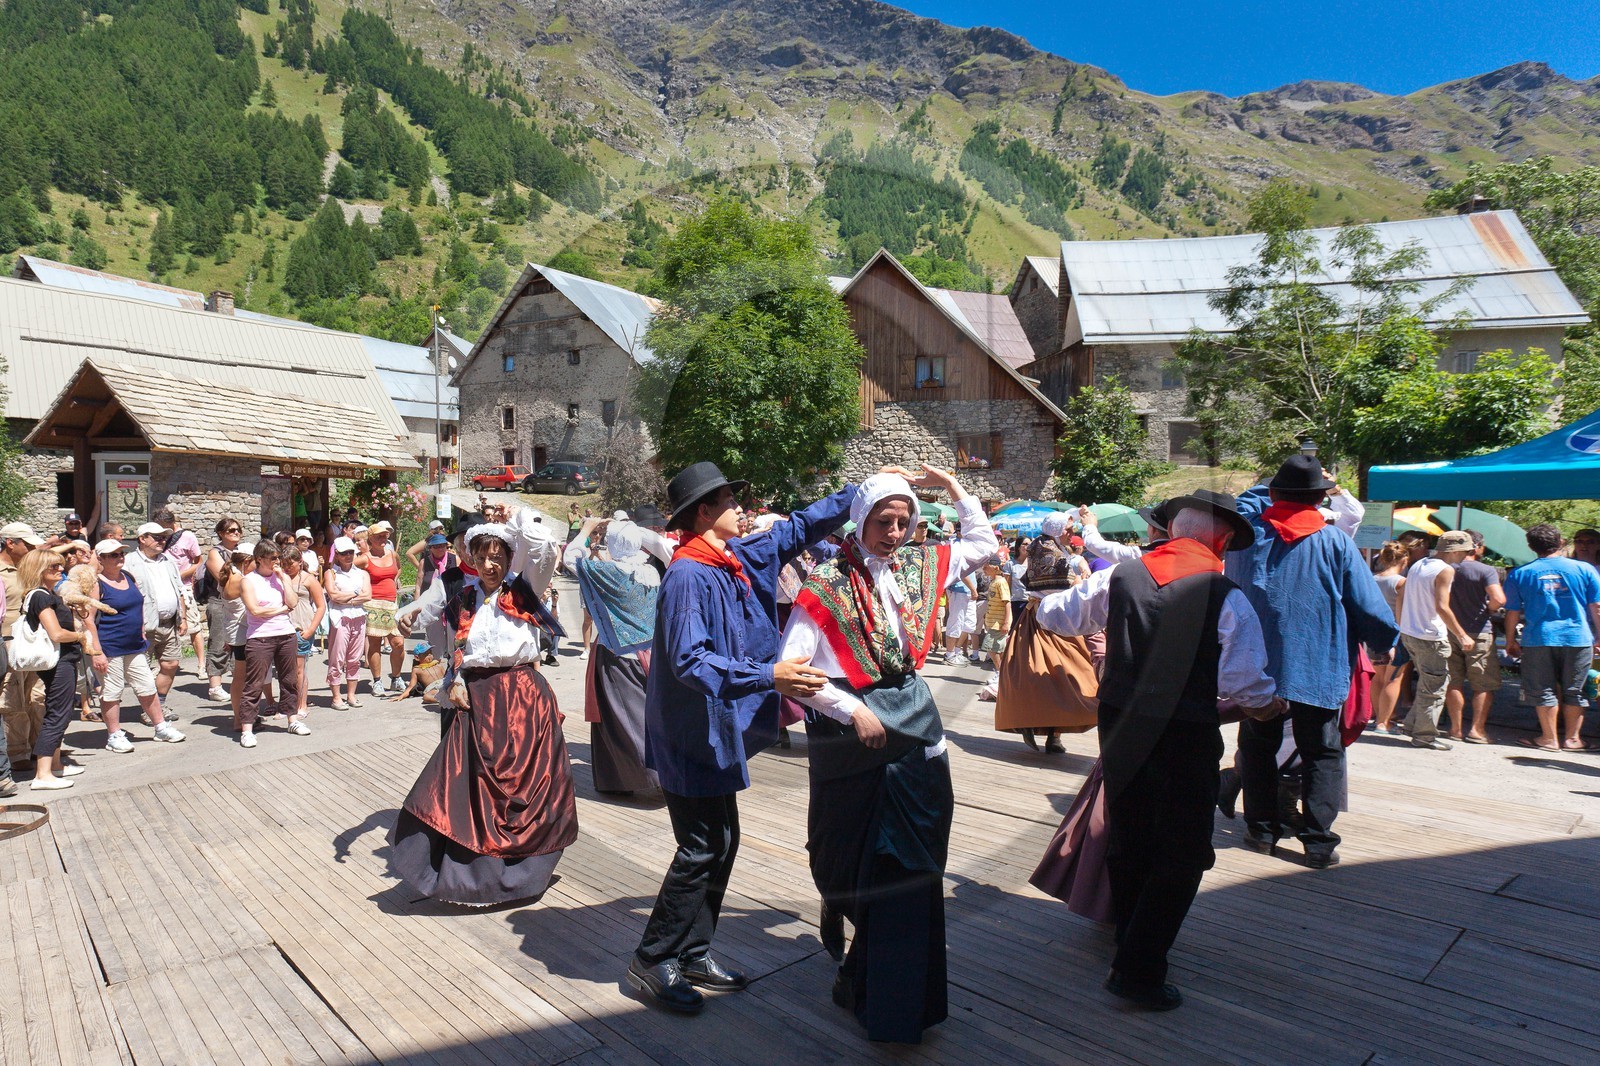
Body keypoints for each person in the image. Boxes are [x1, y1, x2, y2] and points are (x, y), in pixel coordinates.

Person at [1033, 492, 1282, 1010]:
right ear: (1225, 540)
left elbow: (1057, 617)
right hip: (1184, 736)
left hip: (1121, 728)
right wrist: (1269, 706)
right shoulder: (1225, 595)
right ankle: (1139, 970)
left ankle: (1129, 937)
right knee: (1184, 851)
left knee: (1131, 836)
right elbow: (1244, 682)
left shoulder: (1118, 577)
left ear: (1171, 531)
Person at [627, 462, 855, 1015]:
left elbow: (794, 529)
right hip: (689, 734)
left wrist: (862, 492)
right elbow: (688, 660)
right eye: (729, 498)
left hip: (713, 731)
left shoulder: (732, 558)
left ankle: (694, 951)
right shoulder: (688, 574)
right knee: (702, 845)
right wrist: (768, 676)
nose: (740, 506)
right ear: (703, 512)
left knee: (720, 842)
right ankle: (653, 957)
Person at [780, 467, 994, 1043]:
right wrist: (854, 710)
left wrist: (953, 487)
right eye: (883, 521)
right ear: (860, 520)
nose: (895, 533)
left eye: (904, 522)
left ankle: (885, 995)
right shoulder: (824, 584)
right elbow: (793, 674)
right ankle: (866, 974)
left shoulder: (917, 569)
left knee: (912, 866)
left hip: (915, 729)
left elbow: (984, 543)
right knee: (853, 857)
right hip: (852, 737)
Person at [388, 506, 575, 905]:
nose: (490, 564)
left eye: (498, 556)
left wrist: (516, 520)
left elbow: (543, 549)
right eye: (482, 556)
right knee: (465, 789)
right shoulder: (464, 599)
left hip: (522, 699)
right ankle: (472, 877)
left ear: (509, 558)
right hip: (478, 701)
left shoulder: (522, 590)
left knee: (523, 793)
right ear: (470, 558)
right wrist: (407, 617)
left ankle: (525, 873)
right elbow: (446, 634)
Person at [1227, 456, 1398, 868]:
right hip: (1316, 664)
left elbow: (1244, 504)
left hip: (1258, 666)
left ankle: (1262, 831)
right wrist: (1382, 642)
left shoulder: (1247, 539)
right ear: (1321, 498)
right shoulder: (1334, 541)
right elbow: (1368, 605)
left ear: (1272, 493)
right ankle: (1318, 841)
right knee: (1322, 752)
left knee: (1258, 747)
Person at [566, 514, 674, 794]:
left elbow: (570, 559)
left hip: (617, 655)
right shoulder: (651, 572)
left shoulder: (611, 572)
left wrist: (586, 530)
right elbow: (665, 548)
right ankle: (619, 779)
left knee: (625, 722)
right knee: (639, 717)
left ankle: (655, 778)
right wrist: (638, 531)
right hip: (650, 653)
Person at [995, 512, 1099, 754]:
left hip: (1054, 617)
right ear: (1058, 529)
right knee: (1043, 674)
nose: (1072, 534)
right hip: (1047, 618)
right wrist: (1083, 584)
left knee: (1063, 674)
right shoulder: (1048, 551)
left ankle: (1053, 733)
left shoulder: (1046, 547)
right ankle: (1036, 724)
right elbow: (1058, 586)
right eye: (1068, 529)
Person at [1504, 524, 1600, 752]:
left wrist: (1510, 640)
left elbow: (1513, 612)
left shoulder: (1519, 573)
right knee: (1575, 689)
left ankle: (1548, 738)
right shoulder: (1585, 570)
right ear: (1560, 541)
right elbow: (1596, 606)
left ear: (1531, 546)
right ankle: (1573, 739)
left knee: (1542, 689)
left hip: (1539, 638)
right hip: (1578, 637)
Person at [86, 540, 186, 754]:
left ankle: (160, 727)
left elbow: (139, 605)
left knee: (147, 686)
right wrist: (96, 651)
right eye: (113, 555)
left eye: (121, 553)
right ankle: (114, 735)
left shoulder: (128, 578)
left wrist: (141, 629)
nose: (119, 557)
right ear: (101, 558)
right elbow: (88, 619)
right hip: (110, 647)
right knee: (112, 691)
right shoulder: (97, 584)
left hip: (134, 645)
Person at [16, 549, 92, 789]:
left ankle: (55, 766)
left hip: (62, 661)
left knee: (58, 711)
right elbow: (57, 633)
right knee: (57, 715)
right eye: (53, 567)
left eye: (60, 566)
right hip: (59, 662)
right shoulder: (41, 596)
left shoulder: (45, 594)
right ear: (39, 571)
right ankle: (43, 774)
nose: (61, 569)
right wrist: (81, 636)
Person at [1395, 530, 1476, 752]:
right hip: (1430, 636)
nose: (1466, 556)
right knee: (1435, 687)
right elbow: (1442, 606)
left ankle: (1413, 725)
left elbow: (1403, 596)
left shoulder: (1420, 564)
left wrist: (1402, 626)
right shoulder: (1445, 570)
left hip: (1411, 633)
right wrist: (1462, 634)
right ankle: (1424, 736)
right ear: (1457, 550)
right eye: (1466, 551)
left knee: (1427, 682)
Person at [238, 541, 307, 747]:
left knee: (289, 679)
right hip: (260, 637)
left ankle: (292, 719)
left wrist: (283, 579)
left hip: (285, 634)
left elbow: (293, 603)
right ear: (259, 559)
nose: (278, 562)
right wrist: (280, 609)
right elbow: (255, 610)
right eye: (273, 558)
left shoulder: (281, 577)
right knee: (254, 683)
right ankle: (247, 729)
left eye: (278, 557)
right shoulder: (248, 581)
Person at [1443, 530, 1504, 744]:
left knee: (1453, 681)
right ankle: (1477, 730)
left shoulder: (1445, 568)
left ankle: (1455, 729)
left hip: (1449, 630)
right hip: (1479, 631)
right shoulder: (1485, 570)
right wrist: (1489, 608)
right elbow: (1499, 598)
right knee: (1483, 684)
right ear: (1478, 547)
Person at [123, 521, 188, 721]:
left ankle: (159, 704)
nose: (162, 541)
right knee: (142, 671)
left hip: (169, 623)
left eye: (164, 537)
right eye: (157, 537)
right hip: (143, 626)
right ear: (142, 539)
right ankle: (150, 710)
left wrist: (183, 617)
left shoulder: (167, 561)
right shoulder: (129, 562)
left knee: (171, 663)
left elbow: (179, 591)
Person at [1, 522, 48, 773]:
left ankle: (39, 748)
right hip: (9, 645)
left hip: (34, 643)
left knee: (37, 697)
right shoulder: (1, 572)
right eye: (27, 544)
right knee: (13, 700)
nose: (32, 549)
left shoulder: (29, 569)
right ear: (10, 543)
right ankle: (18, 752)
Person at [322, 537, 371, 710]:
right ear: (337, 555)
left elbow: (367, 595)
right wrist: (355, 594)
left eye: (351, 552)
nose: (348, 556)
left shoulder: (362, 573)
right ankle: (336, 697)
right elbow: (333, 596)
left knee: (355, 658)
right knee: (337, 658)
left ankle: (351, 695)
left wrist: (346, 598)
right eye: (344, 553)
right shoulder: (331, 573)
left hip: (358, 617)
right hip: (340, 619)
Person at [156, 508, 207, 675]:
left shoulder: (187, 536)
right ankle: (161, 664)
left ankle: (201, 665)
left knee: (193, 626)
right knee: (161, 626)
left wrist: (179, 575)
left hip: (183, 586)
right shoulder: (157, 536)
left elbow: (198, 562)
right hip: (162, 586)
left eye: (164, 526)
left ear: (172, 523)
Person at [1368, 541, 1411, 735]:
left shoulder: (1371, 579)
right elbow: (1402, 612)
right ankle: (1384, 723)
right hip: (1396, 635)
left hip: (1375, 634)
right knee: (1393, 679)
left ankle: (1378, 717)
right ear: (1404, 559)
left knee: (1377, 678)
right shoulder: (1402, 582)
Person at [361, 520, 405, 695]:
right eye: (379, 536)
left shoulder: (393, 555)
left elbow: (399, 569)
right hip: (372, 605)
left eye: (385, 536)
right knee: (374, 644)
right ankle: (377, 681)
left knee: (398, 643)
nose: (383, 539)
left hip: (392, 604)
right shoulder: (364, 558)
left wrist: (394, 581)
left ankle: (396, 677)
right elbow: (344, 567)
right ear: (370, 538)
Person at [283, 549, 327, 720]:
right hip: (283, 627)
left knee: (299, 670)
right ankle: (287, 704)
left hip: (302, 626)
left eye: (290, 564)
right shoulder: (281, 578)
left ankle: (302, 704)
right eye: (284, 564)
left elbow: (321, 606)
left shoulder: (309, 579)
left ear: (299, 561)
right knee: (286, 670)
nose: (287, 567)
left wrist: (310, 630)